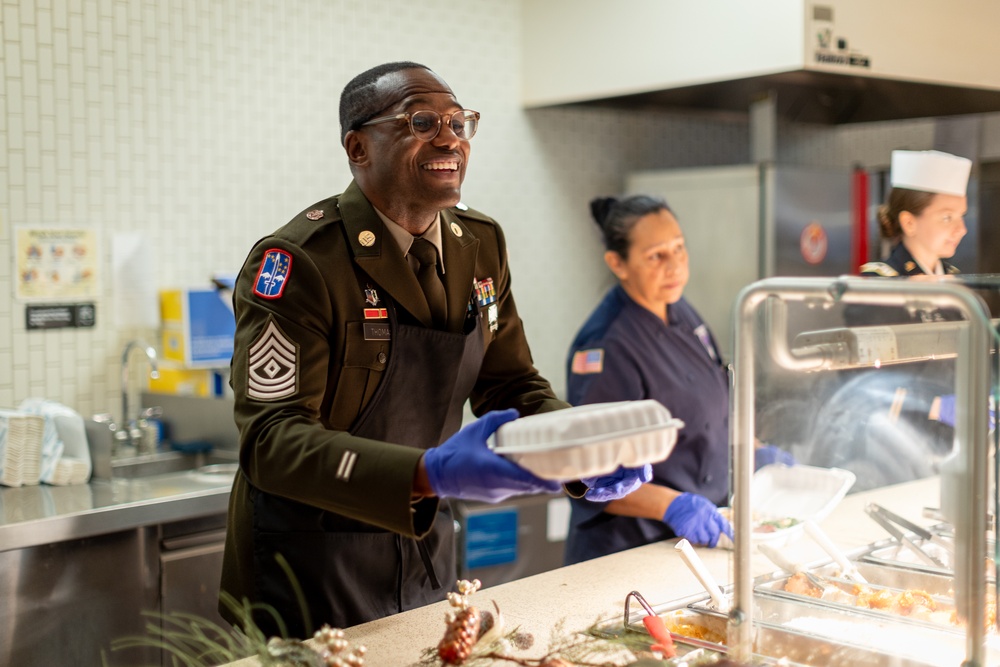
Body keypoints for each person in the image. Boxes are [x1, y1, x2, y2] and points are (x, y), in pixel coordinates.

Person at [219, 61, 648, 638]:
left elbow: (512, 385)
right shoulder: (301, 262)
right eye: (421, 121)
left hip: (424, 552)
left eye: (459, 121)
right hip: (307, 573)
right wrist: (426, 471)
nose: (449, 137)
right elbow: (271, 442)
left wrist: (577, 448)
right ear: (358, 146)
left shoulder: (480, 243)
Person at [562, 195, 791, 565]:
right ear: (617, 263)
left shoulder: (679, 310)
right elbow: (587, 472)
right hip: (629, 552)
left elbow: (713, 402)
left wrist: (753, 451)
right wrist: (673, 505)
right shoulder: (607, 343)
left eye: (679, 249)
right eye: (657, 256)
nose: (675, 266)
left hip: (695, 544)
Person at [807, 150, 974, 490]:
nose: (961, 229)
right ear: (909, 222)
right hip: (889, 450)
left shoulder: (954, 285)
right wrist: (938, 406)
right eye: (947, 217)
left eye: (962, 216)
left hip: (949, 449)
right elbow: (862, 381)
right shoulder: (879, 285)